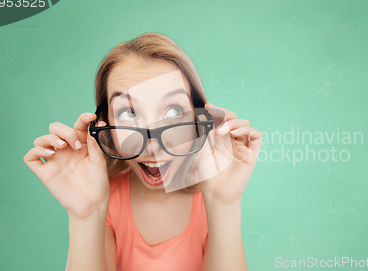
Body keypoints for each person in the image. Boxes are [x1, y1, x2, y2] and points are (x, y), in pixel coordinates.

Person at [23, 32, 262, 271]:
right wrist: (85, 216)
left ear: (200, 121)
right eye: (129, 113)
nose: (152, 144)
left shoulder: (213, 196)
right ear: (105, 126)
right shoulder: (104, 201)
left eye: (173, 111)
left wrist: (223, 204)